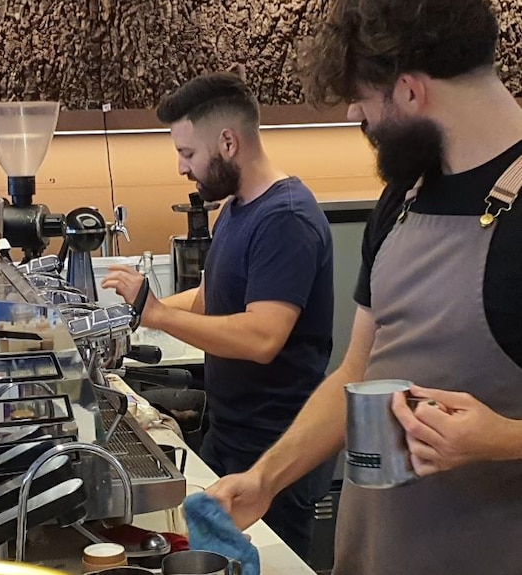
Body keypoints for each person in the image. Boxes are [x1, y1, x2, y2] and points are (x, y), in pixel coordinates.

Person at [205, 0, 522, 573]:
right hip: (375, 552)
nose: (357, 111)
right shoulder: (403, 199)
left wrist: (502, 439)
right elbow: (358, 372)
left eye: (363, 95)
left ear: (408, 91)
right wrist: (264, 479)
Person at [102, 71, 336, 558]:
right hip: (229, 436)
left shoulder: (285, 218)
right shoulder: (237, 208)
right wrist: (132, 317)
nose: (183, 168)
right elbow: (212, 298)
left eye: (188, 154)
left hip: (277, 454)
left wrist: (160, 314)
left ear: (227, 142)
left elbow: (261, 337)